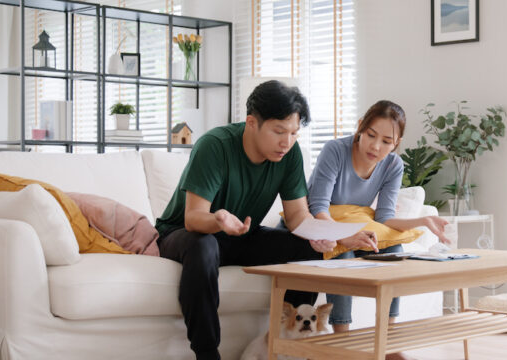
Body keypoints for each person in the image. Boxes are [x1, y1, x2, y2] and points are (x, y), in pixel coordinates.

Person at [154, 80, 374, 360]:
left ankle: (288, 347)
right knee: (204, 246)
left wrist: (327, 234)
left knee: (306, 248)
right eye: (279, 131)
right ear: (251, 123)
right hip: (185, 234)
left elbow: (297, 216)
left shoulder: (290, 154)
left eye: (294, 133)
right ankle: (207, 353)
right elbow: (193, 219)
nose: (287, 142)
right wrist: (219, 218)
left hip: (242, 234)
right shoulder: (214, 145)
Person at [306, 100, 450, 359]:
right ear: (360, 127)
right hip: (318, 226)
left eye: (386, 141)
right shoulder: (335, 150)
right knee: (344, 255)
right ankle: (343, 343)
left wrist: (422, 222)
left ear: (396, 142)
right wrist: (344, 237)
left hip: (353, 225)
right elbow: (318, 206)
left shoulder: (393, 165)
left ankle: (389, 343)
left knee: (393, 250)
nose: (376, 146)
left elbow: (384, 218)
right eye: (371, 135)